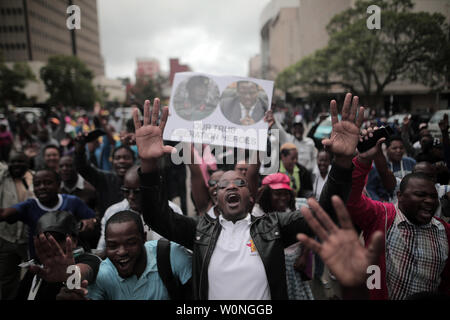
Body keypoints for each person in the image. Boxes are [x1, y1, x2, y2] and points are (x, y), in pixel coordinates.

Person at [133, 96, 356, 300]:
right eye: (223, 186)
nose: (232, 187)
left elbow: (324, 211)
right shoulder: (199, 231)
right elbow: (156, 217)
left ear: (251, 196)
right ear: (216, 198)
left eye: (240, 183)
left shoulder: (274, 228)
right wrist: (149, 165)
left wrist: (344, 163)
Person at [345, 127, 450, 299]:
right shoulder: (382, 216)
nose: (430, 201)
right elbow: (351, 201)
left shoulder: (445, 232)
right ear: (400, 196)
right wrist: (363, 160)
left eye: (432, 196)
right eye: (420, 195)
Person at [58, 210, 192, 300]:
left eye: (130, 243)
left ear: (144, 238)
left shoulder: (171, 255)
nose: (121, 252)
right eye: (113, 246)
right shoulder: (103, 275)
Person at [0, 169, 96, 259]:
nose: (42, 187)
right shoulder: (29, 206)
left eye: (48, 183)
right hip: (42, 262)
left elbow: (94, 219)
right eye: (37, 184)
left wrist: (91, 222)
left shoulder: (72, 201)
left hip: (73, 259)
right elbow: (4, 213)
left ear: (58, 185)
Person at [252, 172, 314, 300]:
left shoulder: (297, 207)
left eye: (286, 193)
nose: (283, 198)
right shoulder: (257, 213)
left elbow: (310, 232)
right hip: (270, 270)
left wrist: (303, 256)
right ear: (267, 194)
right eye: (277, 193)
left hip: (294, 267)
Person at [15, 211, 101, 300]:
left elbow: (85, 269)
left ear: (74, 241)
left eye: (58, 239)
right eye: (45, 239)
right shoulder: (36, 269)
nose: (52, 244)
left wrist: (69, 274)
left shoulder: (90, 259)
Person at [96, 166, 183, 253]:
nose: (131, 196)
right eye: (126, 191)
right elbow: (102, 250)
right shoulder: (113, 212)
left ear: (149, 190)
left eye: (137, 192)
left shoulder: (171, 211)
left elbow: (180, 248)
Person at [74, 133, 135, 217]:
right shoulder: (105, 179)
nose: (122, 161)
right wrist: (80, 149)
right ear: (112, 162)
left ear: (134, 161)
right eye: (117, 158)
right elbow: (82, 168)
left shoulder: (140, 180)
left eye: (126, 157)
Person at [0, 153, 34, 300]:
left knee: (33, 276)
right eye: (13, 162)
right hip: (6, 237)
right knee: (7, 279)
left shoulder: (35, 179)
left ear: (28, 164)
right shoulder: (3, 178)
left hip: (28, 239)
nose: (16, 165)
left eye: (21, 162)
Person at [366, 136, 416, 201]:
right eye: (394, 148)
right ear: (387, 149)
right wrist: (379, 203)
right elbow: (370, 188)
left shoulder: (411, 162)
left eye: (401, 148)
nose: (398, 150)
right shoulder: (376, 167)